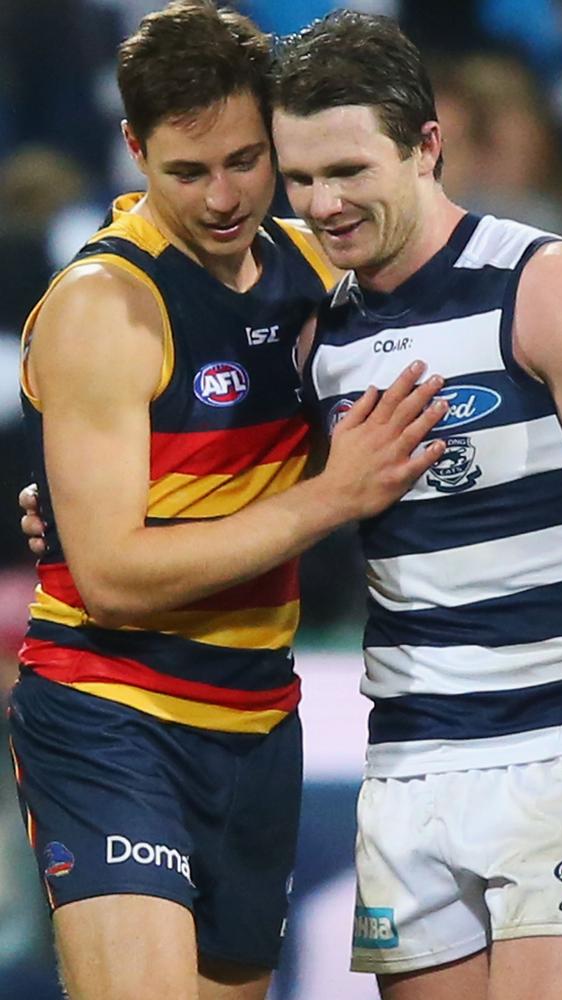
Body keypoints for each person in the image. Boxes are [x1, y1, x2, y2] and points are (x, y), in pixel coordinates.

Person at [7, 4, 452, 1000]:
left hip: (255, 720)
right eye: (186, 171)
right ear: (133, 149)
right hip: (111, 711)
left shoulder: (306, 263)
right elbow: (114, 578)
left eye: (245, 162)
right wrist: (329, 496)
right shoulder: (105, 307)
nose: (221, 199)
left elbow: (468, 265)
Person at [268, 10, 562, 999]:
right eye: (299, 177)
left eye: (347, 170)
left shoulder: (550, 286)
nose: (321, 202)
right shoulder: (315, 333)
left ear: (426, 144)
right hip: (404, 766)